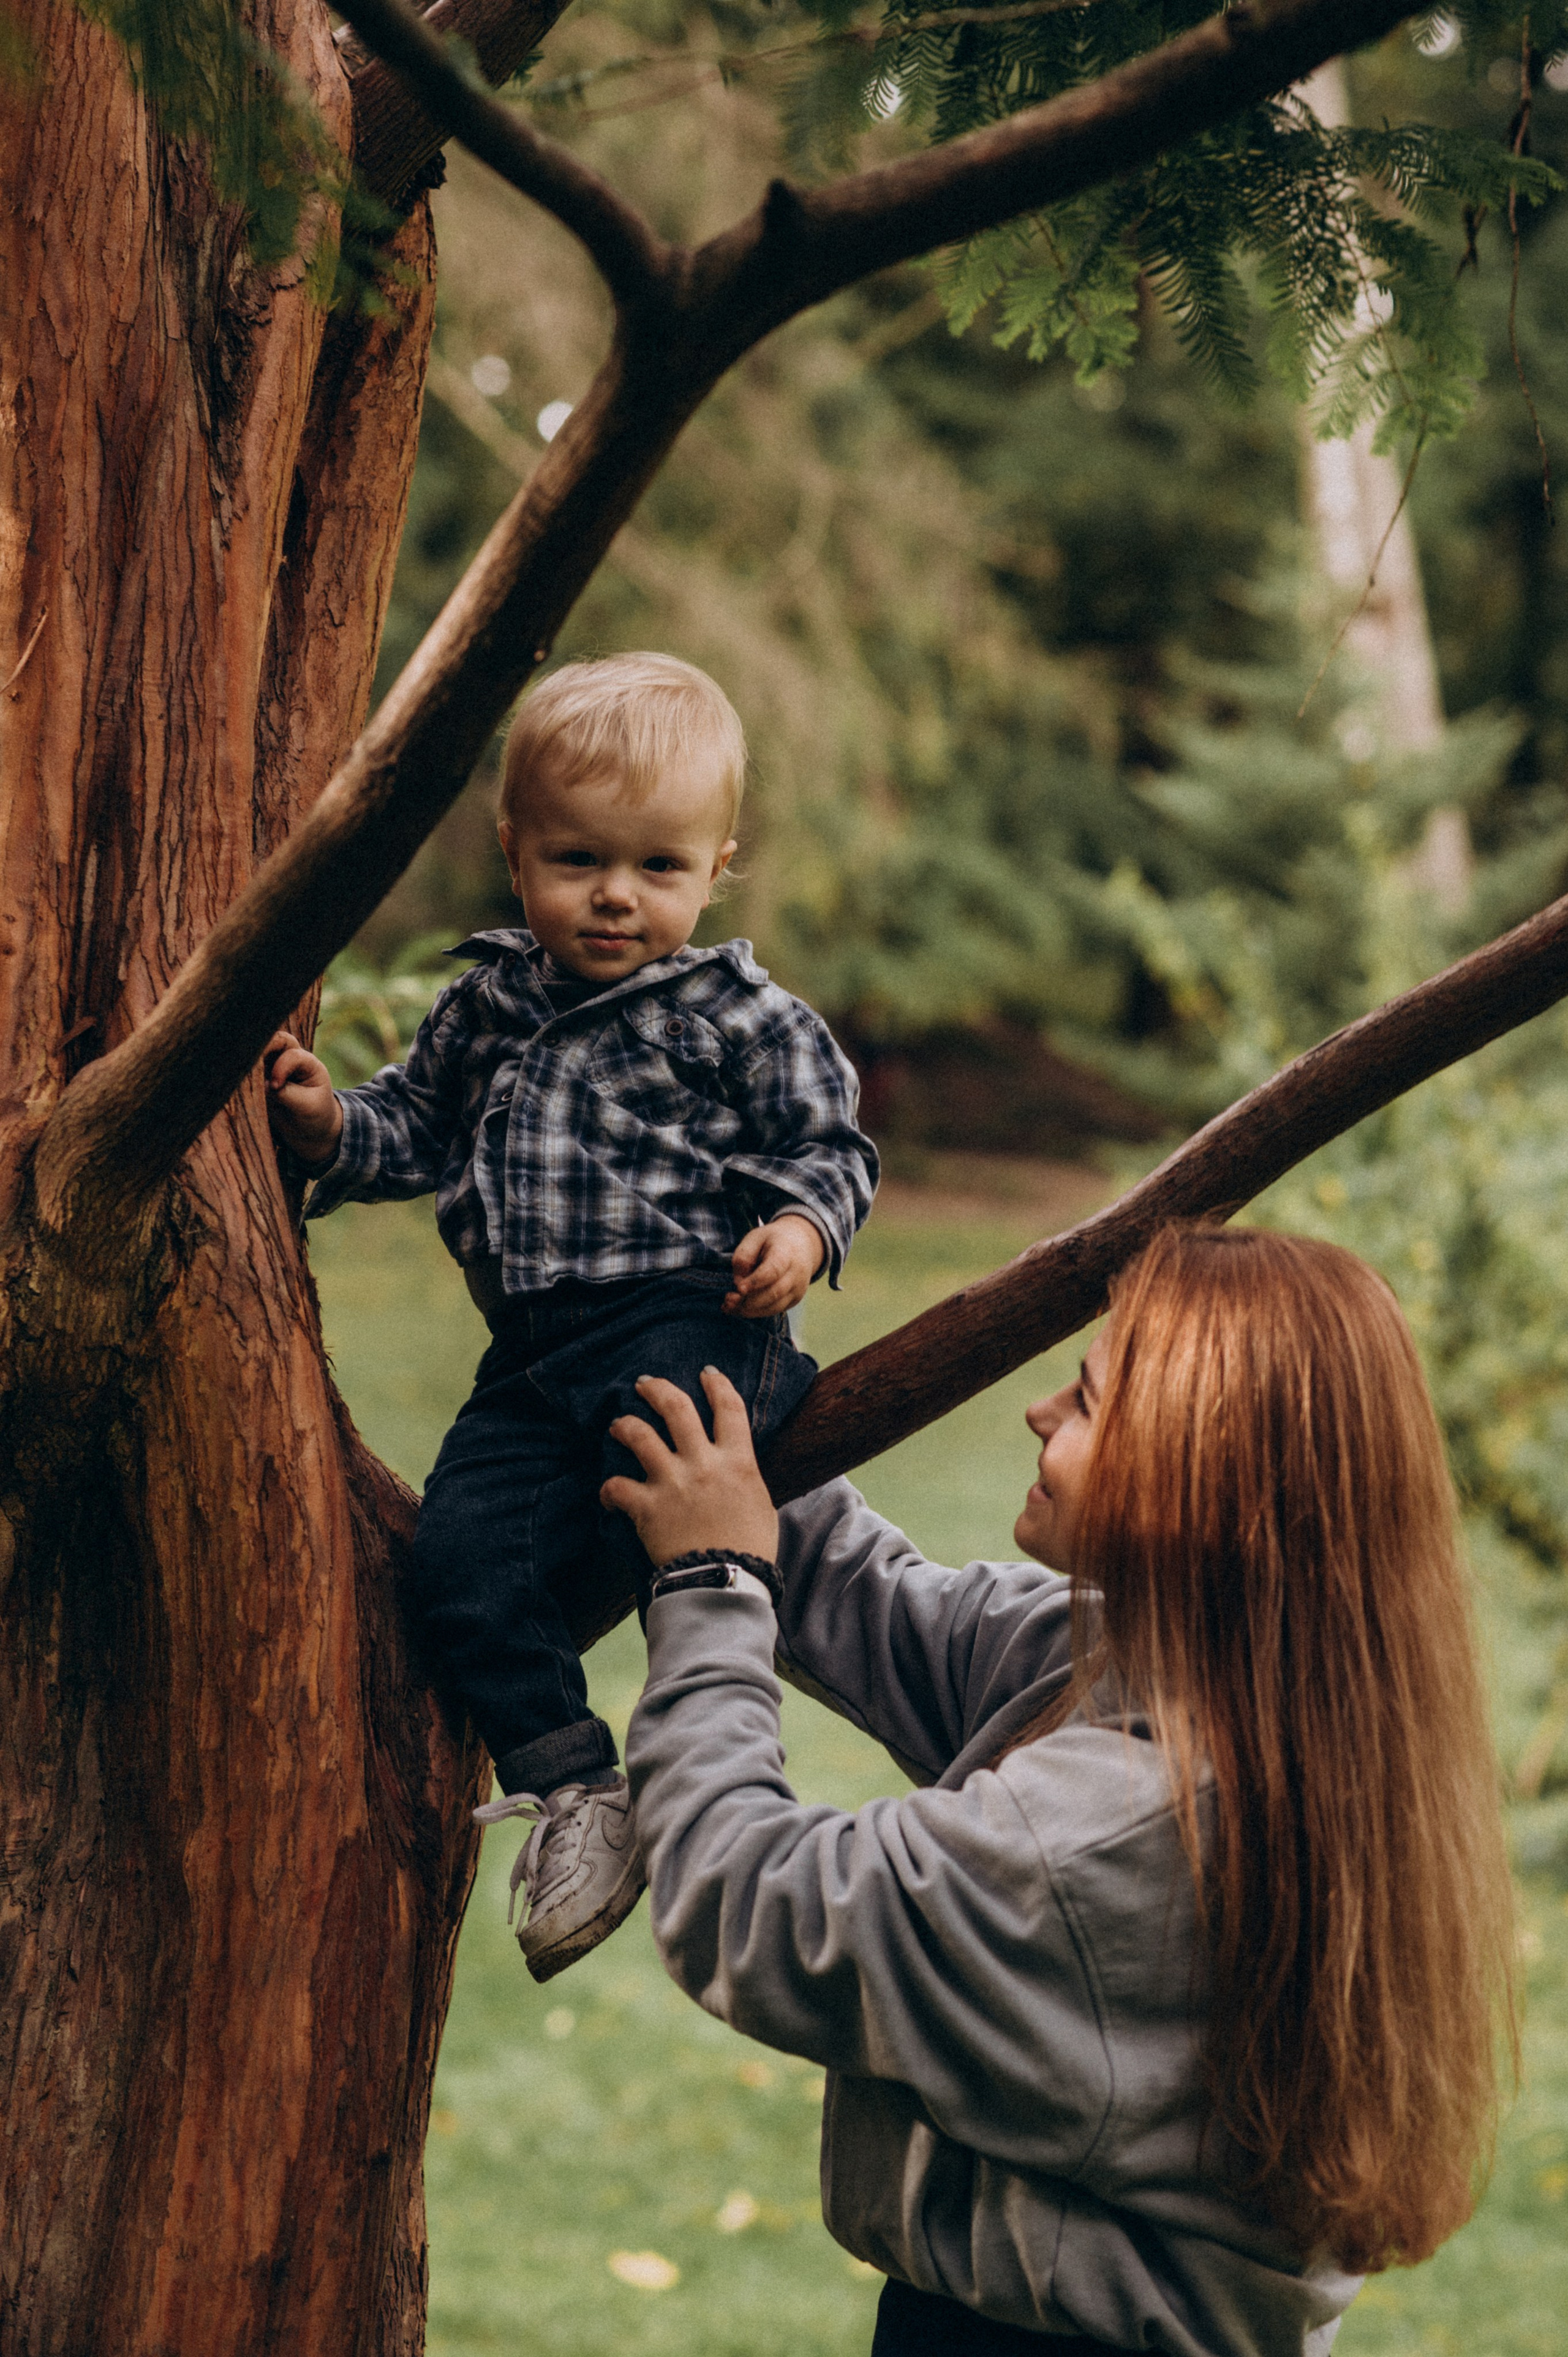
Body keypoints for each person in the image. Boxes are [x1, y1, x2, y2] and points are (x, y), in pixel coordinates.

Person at [605, 1224, 1517, 2356]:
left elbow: (752, 1906)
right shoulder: (1231, 1685)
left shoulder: (1109, 1830)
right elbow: (870, 1601)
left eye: (1085, 1404)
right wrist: (697, 1342)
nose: (1039, 1414)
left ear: (1202, 1483)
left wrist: (710, 1581)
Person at [263, 654, 878, 1981]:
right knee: (457, 1562)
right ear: (514, 850)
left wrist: (798, 1229)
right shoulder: (486, 1004)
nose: (614, 895)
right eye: (578, 857)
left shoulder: (740, 1018)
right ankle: (573, 1786)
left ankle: (711, 1722)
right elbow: (409, 1131)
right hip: (533, 1360)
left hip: (684, 1321)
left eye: (656, 866)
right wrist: (323, 1125)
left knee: (675, 1509)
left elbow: (828, 1149)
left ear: (716, 865)